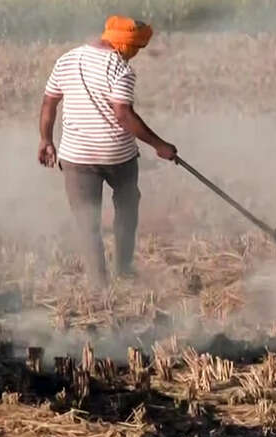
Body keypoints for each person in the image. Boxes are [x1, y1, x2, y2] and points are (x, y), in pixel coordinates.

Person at [38, 15, 177, 286]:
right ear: (126, 45)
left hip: (76, 158)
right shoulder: (120, 69)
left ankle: (98, 284)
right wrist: (160, 145)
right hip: (118, 157)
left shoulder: (66, 60)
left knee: (86, 222)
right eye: (136, 49)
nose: (135, 55)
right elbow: (123, 114)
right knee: (127, 208)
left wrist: (46, 139)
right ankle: (123, 269)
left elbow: (48, 103)